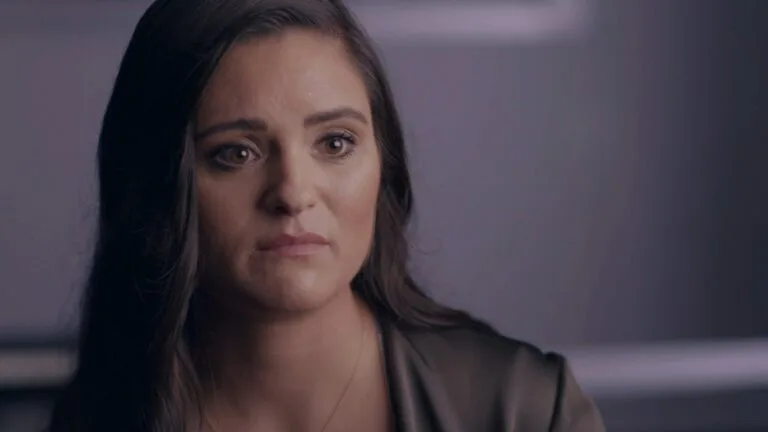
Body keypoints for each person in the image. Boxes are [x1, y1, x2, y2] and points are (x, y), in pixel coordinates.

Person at [47, 0, 604, 431]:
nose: (293, 193)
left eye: (335, 143)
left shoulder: (522, 410)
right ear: (155, 185)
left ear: (384, 162)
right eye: (236, 153)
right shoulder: (97, 418)